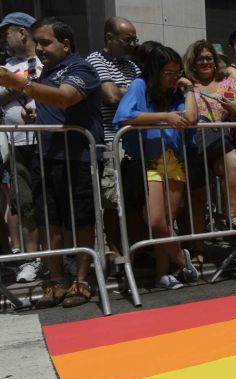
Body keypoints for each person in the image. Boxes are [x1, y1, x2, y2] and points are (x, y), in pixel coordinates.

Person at [0, 17, 104, 308]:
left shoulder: (81, 68)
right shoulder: (46, 73)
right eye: (38, 43)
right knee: (50, 222)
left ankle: (82, 281)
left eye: (45, 42)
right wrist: (36, 116)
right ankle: (57, 281)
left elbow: (64, 98)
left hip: (79, 158)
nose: (40, 48)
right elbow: (52, 103)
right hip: (45, 158)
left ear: (66, 44)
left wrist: (13, 81)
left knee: (82, 221)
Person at [113, 44, 200, 290]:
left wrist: (190, 89)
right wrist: (166, 117)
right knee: (155, 221)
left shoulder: (177, 93)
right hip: (147, 160)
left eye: (177, 72)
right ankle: (183, 261)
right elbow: (126, 116)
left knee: (167, 222)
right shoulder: (139, 86)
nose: (174, 78)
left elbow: (191, 118)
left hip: (173, 160)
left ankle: (163, 274)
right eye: (168, 73)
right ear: (155, 71)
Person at [182, 39, 236, 268]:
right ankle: (198, 247)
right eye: (201, 59)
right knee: (197, 198)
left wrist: (233, 109)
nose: (206, 62)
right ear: (193, 61)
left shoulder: (227, 82)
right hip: (192, 144)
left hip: (220, 143)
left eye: (209, 58)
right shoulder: (185, 83)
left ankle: (231, 215)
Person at [86, 16, 141, 271]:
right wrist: (131, 92)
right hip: (108, 140)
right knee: (111, 199)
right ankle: (114, 250)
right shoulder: (95, 61)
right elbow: (110, 96)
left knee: (129, 197)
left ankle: (134, 247)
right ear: (109, 38)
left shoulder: (131, 65)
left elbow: (144, 93)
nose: (132, 44)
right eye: (127, 39)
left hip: (132, 141)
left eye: (134, 39)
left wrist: (125, 90)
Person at [0, 12, 44, 283]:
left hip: (48, 142)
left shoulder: (45, 61)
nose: (3, 38)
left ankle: (60, 256)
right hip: (17, 145)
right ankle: (32, 259)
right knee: (24, 202)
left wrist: (19, 83)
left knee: (52, 202)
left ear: (22, 33)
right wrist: (23, 84)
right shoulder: (5, 66)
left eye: (6, 32)